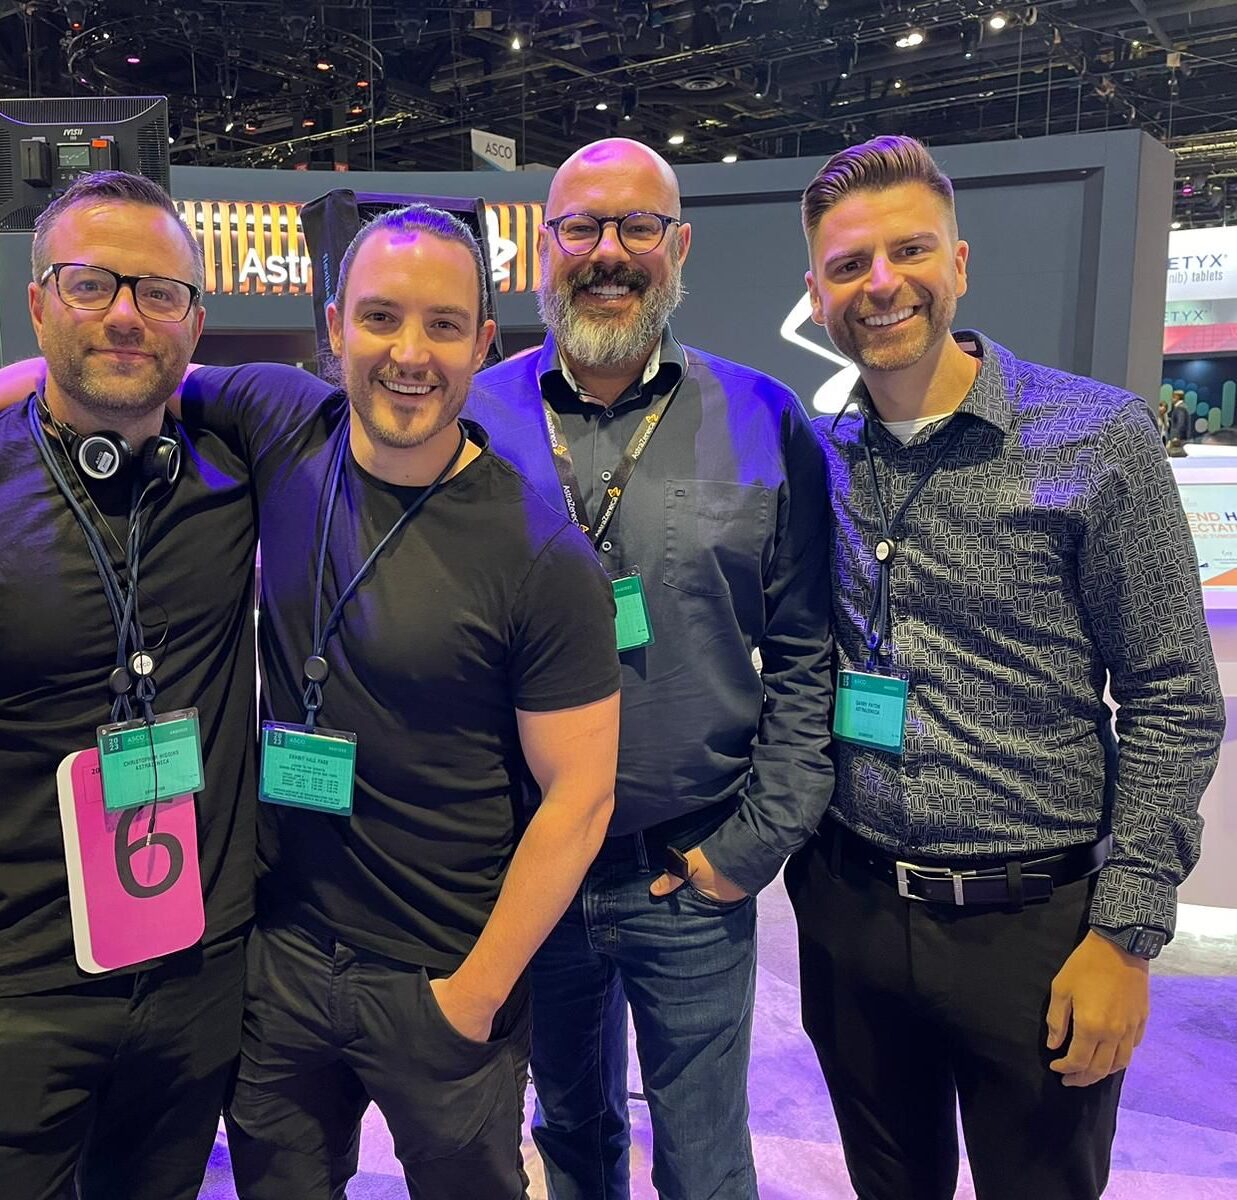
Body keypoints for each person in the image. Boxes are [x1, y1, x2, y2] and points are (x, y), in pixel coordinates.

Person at [786, 134, 1225, 1200]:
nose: (880, 284)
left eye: (908, 251)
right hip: (850, 910)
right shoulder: (817, 451)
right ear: (817, 291)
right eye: (848, 264)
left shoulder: (1098, 437)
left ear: (959, 262)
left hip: (1034, 927)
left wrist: (1125, 936)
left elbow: (1173, 698)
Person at [172, 204, 622, 1199]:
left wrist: (475, 996)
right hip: (281, 962)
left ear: (482, 343)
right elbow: (138, 370)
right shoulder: (285, 425)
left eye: (442, 325)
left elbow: (581, 797)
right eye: (380, 318)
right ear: (334, 327)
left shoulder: (541, 555)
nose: (408, 354)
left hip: (442, 977)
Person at [465, 138, 834, 1199]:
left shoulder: (765, 419)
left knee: (706, 1162)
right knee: (569, 1137)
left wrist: (750, 846)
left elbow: (808, 649)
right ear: (545, 245)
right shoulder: (472, 418)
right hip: (529, 869)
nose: (608, 252)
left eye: (637, 227)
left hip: (690, 869)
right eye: (582, 226)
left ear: (679, 246)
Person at [0, 172, 257, 1199]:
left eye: (157, 292)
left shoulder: (237, 476)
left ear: (194, 323)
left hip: (193, 975)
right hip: (21, 993)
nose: (123, 315)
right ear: (38, 303)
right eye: (90, 283)